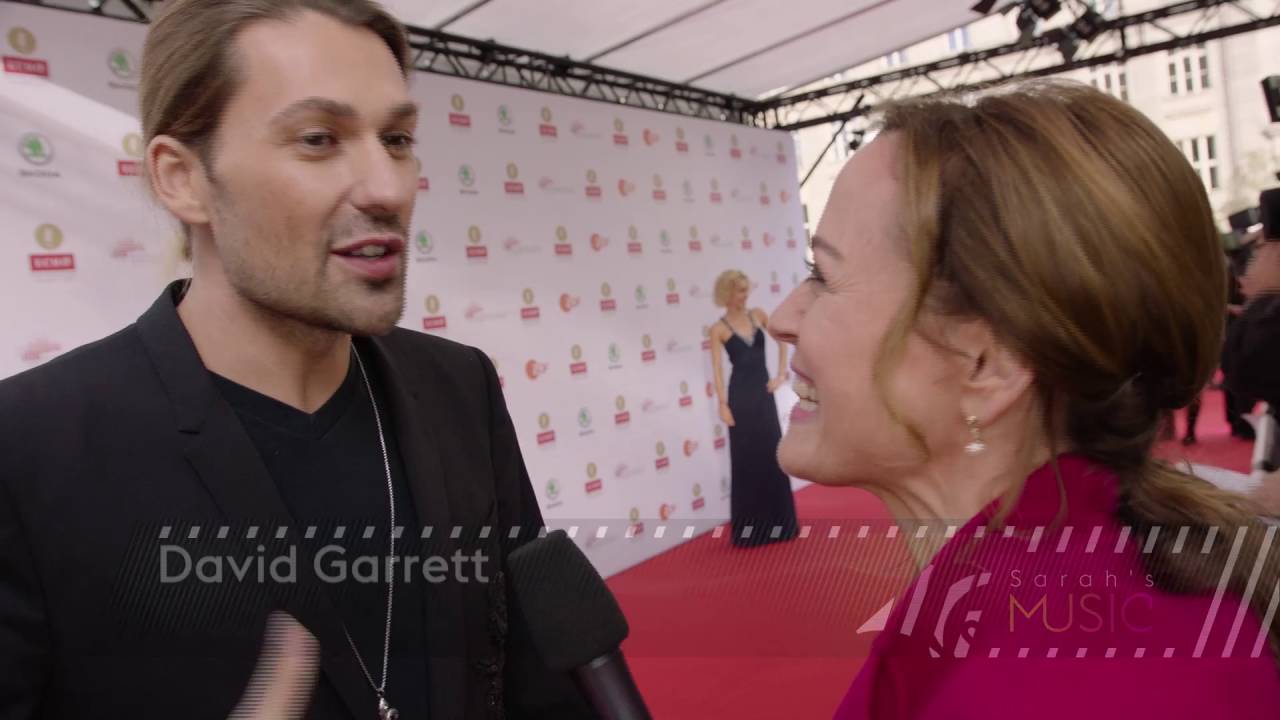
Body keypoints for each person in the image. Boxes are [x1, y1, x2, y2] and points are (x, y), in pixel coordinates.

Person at [0, 1, 595, 718]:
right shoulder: (29, 450)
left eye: (398, 138)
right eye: (319, 139)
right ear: (181, 179)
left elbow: (537, 680)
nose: (387, 187)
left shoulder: (459, 387)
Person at [764, 80, 1280, 718]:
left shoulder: (1071, 678)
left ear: (989, 364)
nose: (783, 316)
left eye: (823, 276)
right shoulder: (1040, 598)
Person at [708, 270, 799, 547]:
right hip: (740, 400)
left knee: (771, 455)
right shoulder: (718, 329)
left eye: (746, 290)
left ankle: (781, 525)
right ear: (727, 293)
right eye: (739, 291)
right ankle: (752, 533)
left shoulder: (758, 314)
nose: (745, 296)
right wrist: (722, 404)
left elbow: (782, 339)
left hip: (763, 394)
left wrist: (782, 374)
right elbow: (717, 372)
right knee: (746, 462)